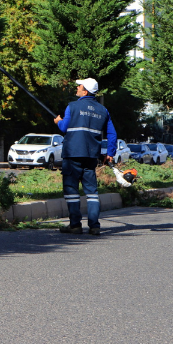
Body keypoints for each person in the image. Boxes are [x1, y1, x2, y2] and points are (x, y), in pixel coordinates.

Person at [53, 77, 117, 236]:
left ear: (85, 90)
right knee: (92, 192)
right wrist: (110, 153)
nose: (77, 88)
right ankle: (94, 226)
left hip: (72, 154)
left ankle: (75, 225)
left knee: (71, 189)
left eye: (79, 86)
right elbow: (112, 134)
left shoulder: (72, 106)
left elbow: (64, 128)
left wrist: (58, 121)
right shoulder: (103, 110)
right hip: (91, 155)